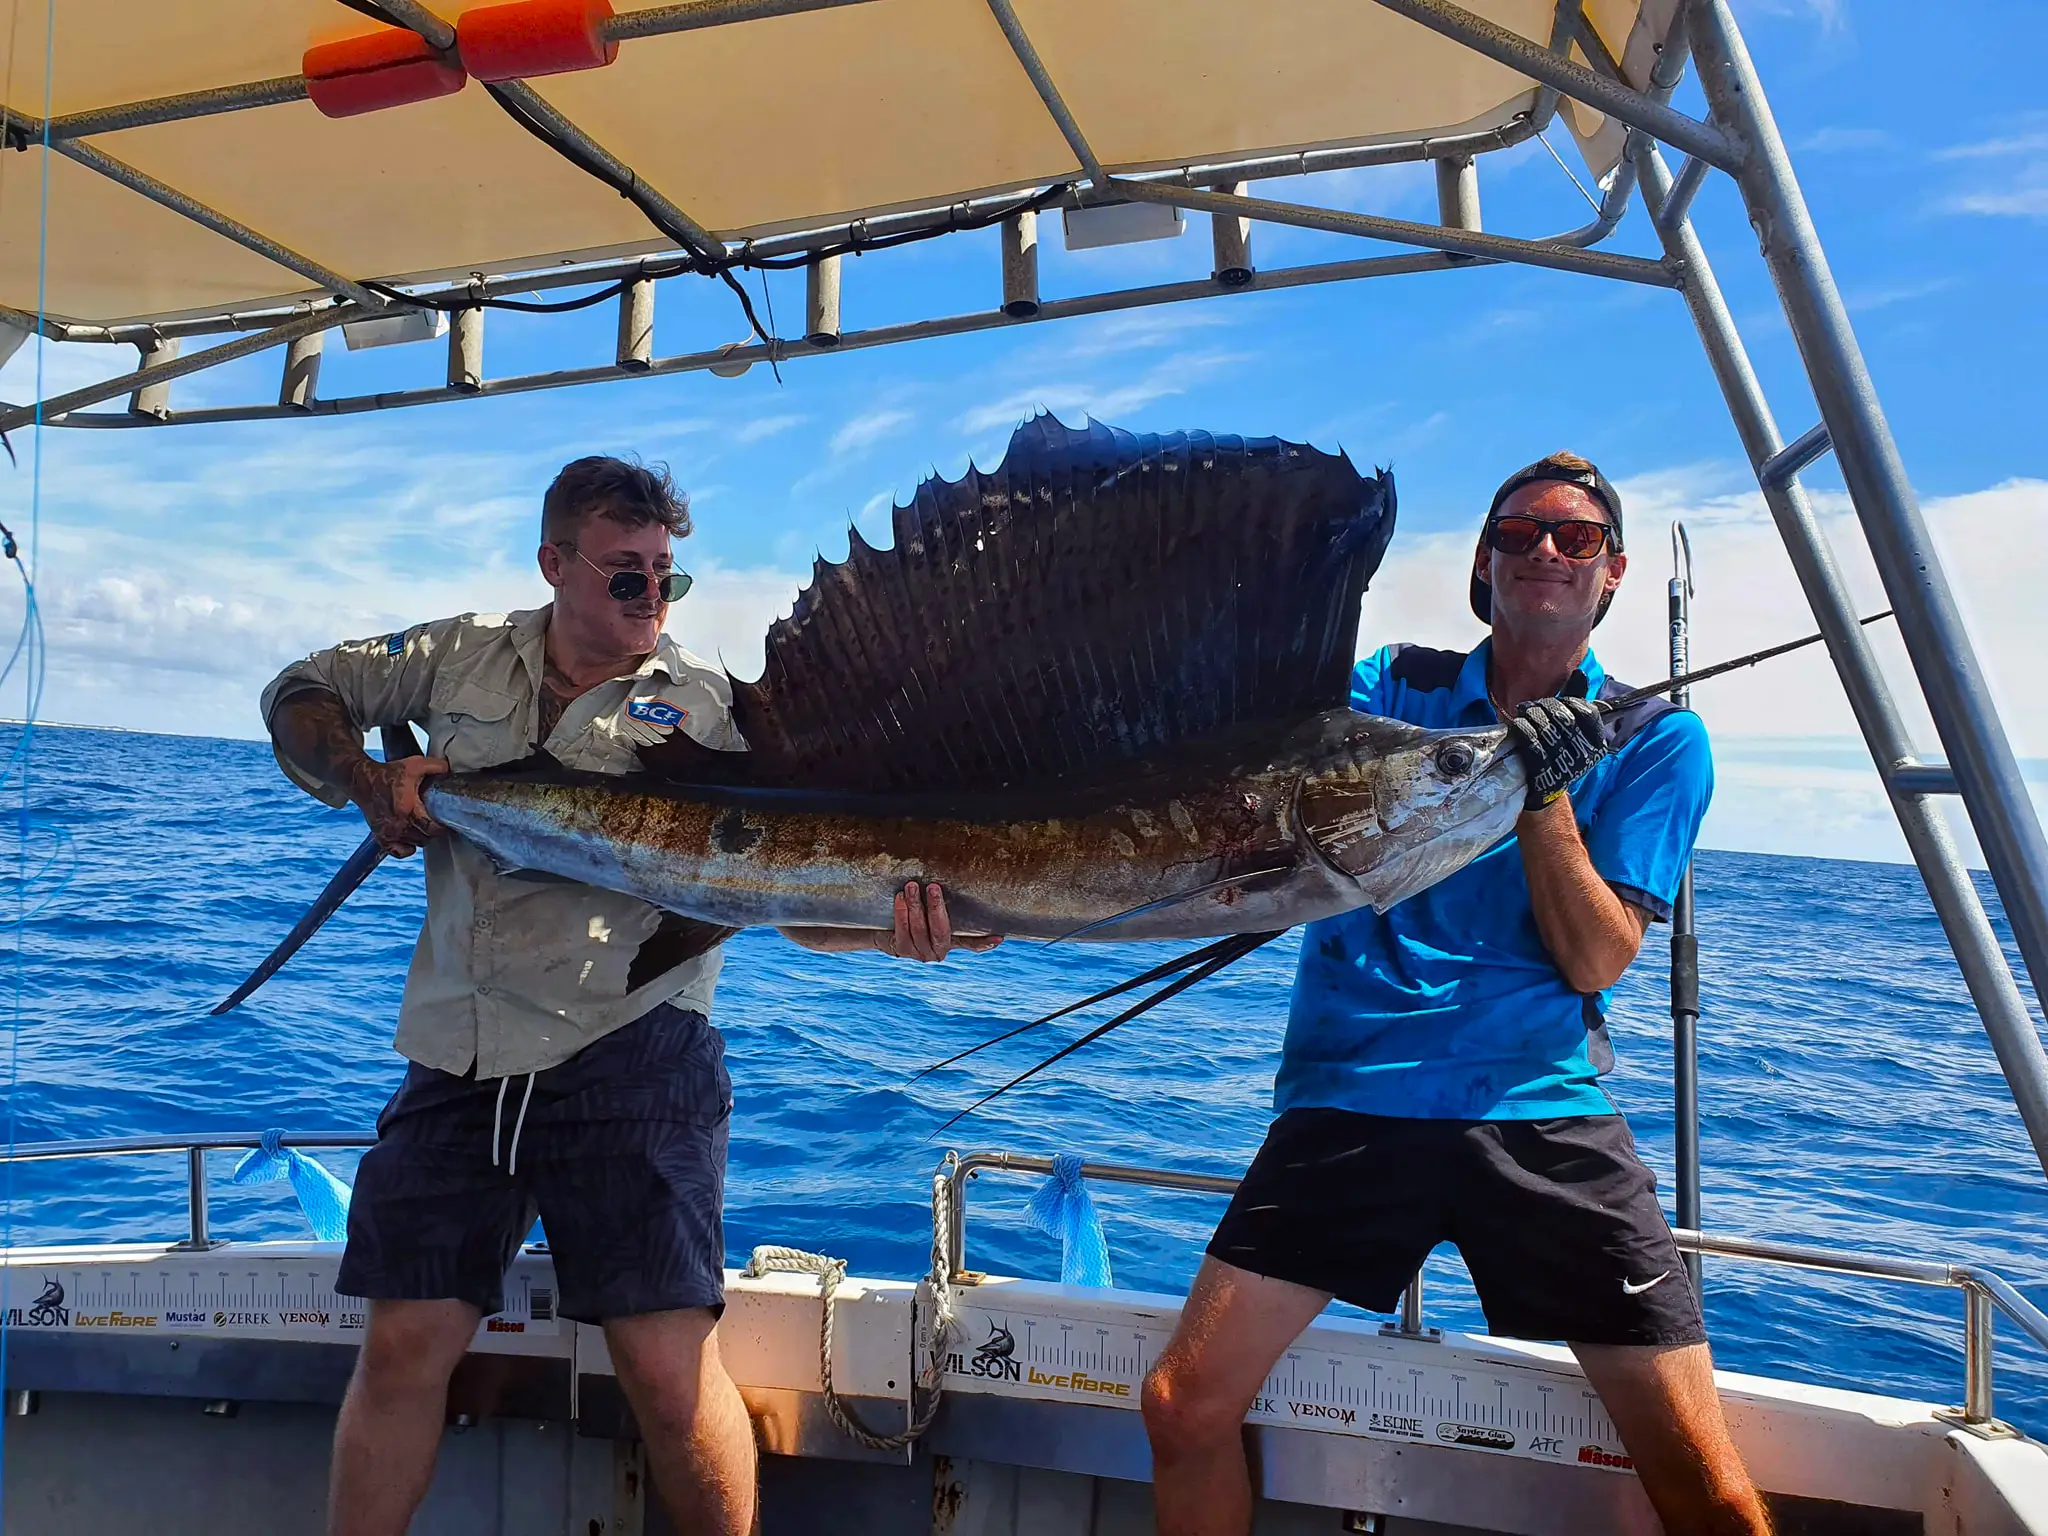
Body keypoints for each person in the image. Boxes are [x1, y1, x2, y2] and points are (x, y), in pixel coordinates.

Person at [262, 456, 996, 1536]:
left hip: (634, 1049)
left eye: (665, 575)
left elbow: (783, 897)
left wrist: (899, 932)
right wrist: (363, 779)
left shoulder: (707, 710)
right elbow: (299, 691)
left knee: (664, 1364)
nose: (650, 595)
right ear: (553, 563)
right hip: (461, 1050)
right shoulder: (455, 653)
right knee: (405, 1342)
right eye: (624, 574)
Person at [1140, 453, 1771, 1536]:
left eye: (1575, 538)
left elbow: (1596, 962)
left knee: (1703, 1482)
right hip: (1351, 1094)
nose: (1545, 552)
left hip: (1537, 1109)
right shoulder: (1393, 686)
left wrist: (1543, 795)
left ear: (1612, 571)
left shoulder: (1658, 737)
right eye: (1518, 533)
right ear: (1483, 562)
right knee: (1180, 1406)